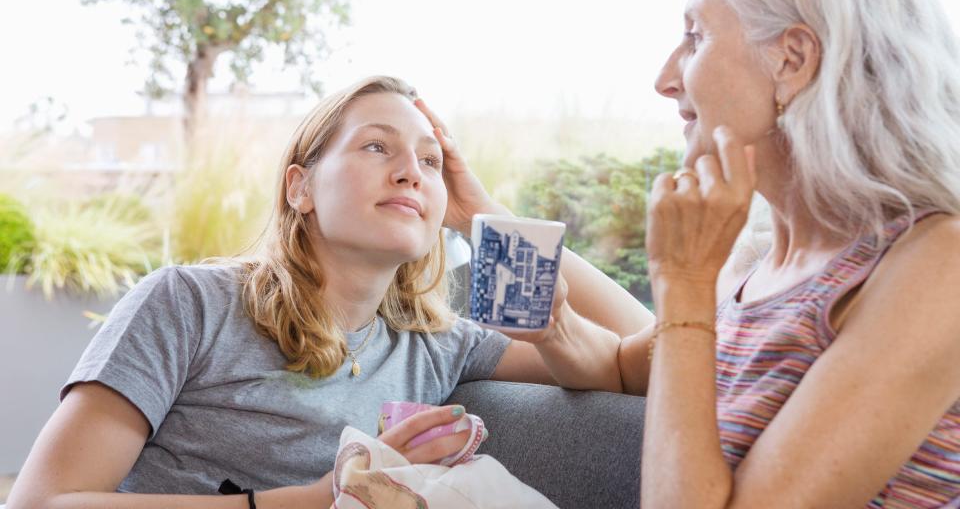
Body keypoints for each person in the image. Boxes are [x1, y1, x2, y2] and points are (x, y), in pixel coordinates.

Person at [7, 76, 653, 508]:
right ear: (301, 188)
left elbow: (640, 360)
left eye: (431, 163)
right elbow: (40, 503)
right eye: (378, 146)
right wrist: (321, 498)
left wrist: (487, 217)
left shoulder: (433, 344)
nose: (411, 171)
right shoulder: (188, 305)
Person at [616, 0, 960, 507]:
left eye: (696, 36)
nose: (666, 78)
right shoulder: (756, 261)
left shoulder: (938, 265)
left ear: (792, 60)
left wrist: (684, 280)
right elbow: (617, 366)